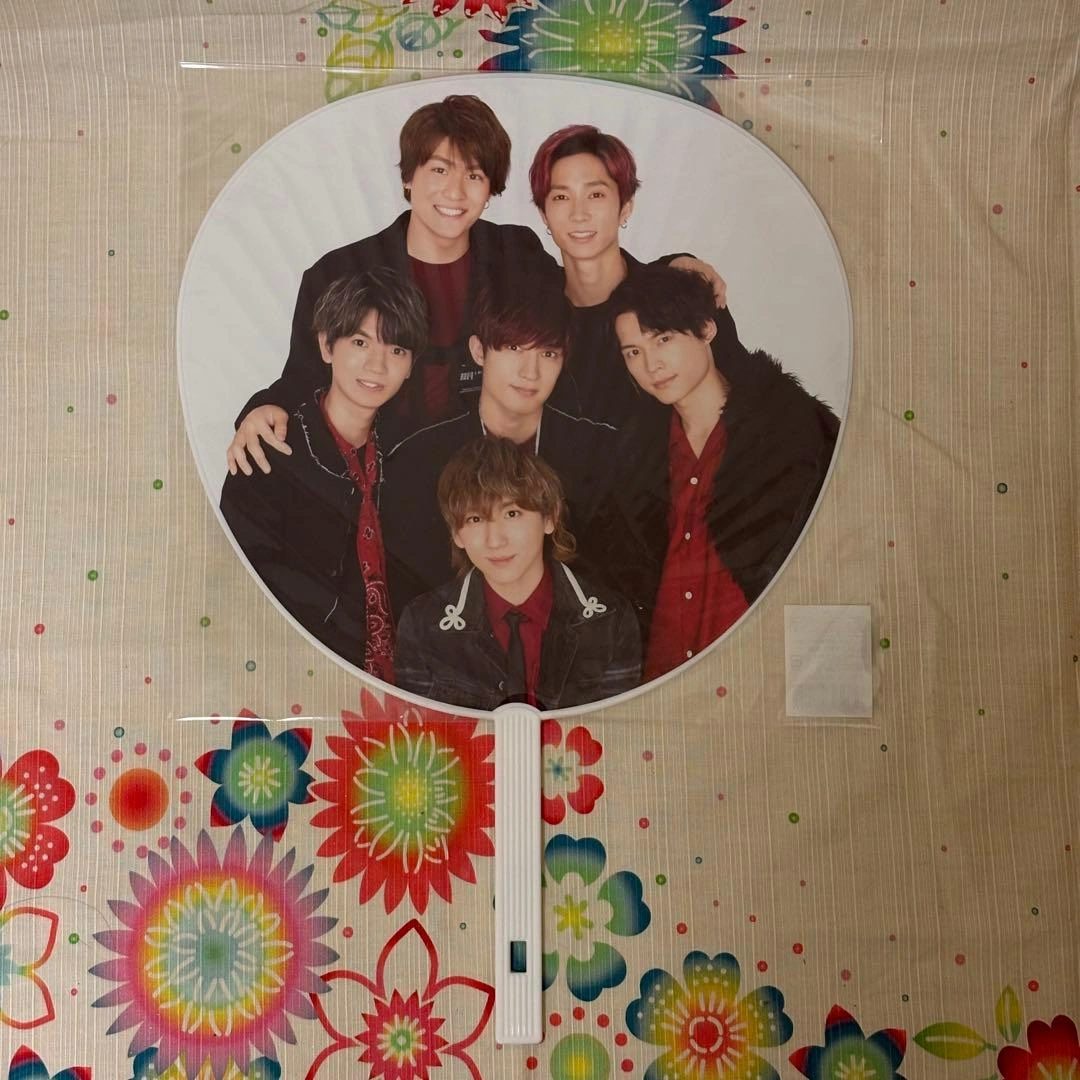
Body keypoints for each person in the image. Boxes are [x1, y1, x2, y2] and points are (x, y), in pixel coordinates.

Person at [227, 94, 555, 476]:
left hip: (495, 474)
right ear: (408, 177)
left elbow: (572, 336)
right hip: (383, 475)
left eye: (474, 175)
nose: (455, 192)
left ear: (490, 189)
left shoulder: (516, 254)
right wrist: (264, 408)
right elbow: (305, 378)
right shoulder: (338, 273)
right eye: (439, 170)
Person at [606, 264, 841, 678]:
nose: (651, 365)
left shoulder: (790, 436)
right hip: (664, 681)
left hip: (761, 673)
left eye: (663, 339)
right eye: (633, 353)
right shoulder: (635, 459)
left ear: (706, 329)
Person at [220, 268, 428, 680]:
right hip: (297, 672)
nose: (377, 365)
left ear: (410, 365)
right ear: (326, 345)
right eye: (360, 343)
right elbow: (239, 581)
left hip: (406, 683)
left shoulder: (414, 457)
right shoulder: (270, 448)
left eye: (396, 350)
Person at [379, 268, 617, 618]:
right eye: (514, 348)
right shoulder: (418, 459)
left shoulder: (600, 451)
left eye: (548, 354)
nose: (530, 372)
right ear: (479, 350)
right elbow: (407, 591)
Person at [394, 437, 641, 711]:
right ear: (456, 534)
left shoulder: (611, 621)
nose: (495, 540)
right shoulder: (422, 626)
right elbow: (419, 734)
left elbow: (619, 732)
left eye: (512, 513)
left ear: (550, 517)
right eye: (475, 519)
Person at [528, 124, 727, 430]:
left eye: (596, 194)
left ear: (625, 208)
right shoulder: (531, 314)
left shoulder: (681, 296)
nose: (579, 214)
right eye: (561, 197)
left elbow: (746, 400)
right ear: (544, 215)